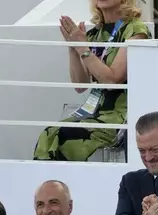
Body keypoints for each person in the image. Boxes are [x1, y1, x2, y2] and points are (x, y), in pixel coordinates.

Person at [33, 0, 150, 161]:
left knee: (64, 137)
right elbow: (80, 85)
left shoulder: (135, 30)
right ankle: (50, 185)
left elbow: (112, 81)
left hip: (121, 113)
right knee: (49, 133)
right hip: (94, 109)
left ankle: (62, 183)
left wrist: (83, 47)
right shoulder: (94, 34)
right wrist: (73, 48)